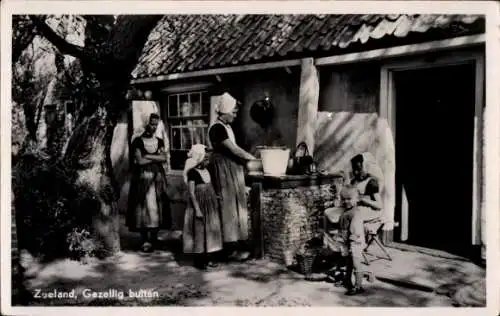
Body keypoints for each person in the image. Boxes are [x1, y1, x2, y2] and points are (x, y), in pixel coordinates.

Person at [208, 92, 256, 262]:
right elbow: (233, 149)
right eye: (233, 112)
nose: (235, 115)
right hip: (223, 169)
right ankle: (228, 249)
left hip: (231, 168)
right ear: (225, 112)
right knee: (227, 208)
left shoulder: (226, 127)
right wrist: (252, 158)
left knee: (236, 208)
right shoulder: (217, 128)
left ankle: (234, 246)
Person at [126, 113, 170, 252]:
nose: (154, 127)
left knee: (158, 206)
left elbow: (164, 158)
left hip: (157, 177)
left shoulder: (160, 141)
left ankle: (154, 237)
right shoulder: (138, 141)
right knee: (144, 207)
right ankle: (145, 239)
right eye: (151, 124)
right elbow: (140, 161)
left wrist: (148, 156)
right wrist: (156, 157)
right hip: (142, 178)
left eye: (156, 124)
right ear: (146, 123)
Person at [182, 144, 223, 270]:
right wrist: (198, 209)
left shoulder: (207, 171)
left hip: (209, 205)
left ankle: (209, 256)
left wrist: (215, 197)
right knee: (199, 231)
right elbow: (192, 193)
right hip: (198, 206)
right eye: (205, 159)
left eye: (208, 159)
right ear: (198, 158)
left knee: (210, 230)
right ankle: (199, 260)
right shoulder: (193, 173)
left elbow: (209, 186)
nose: (208, 161)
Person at [338, 186, 376, 295]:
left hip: (355, 241)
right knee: (348, 262)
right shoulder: (347, 211)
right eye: (344, 199)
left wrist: (351, 241)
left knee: (356, 263)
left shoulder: (356, 212)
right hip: (348, 241)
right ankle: (347, 280)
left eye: (349, 199)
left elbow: (355, 229)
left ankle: (358, 286)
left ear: (357, 199)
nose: (346, 201)